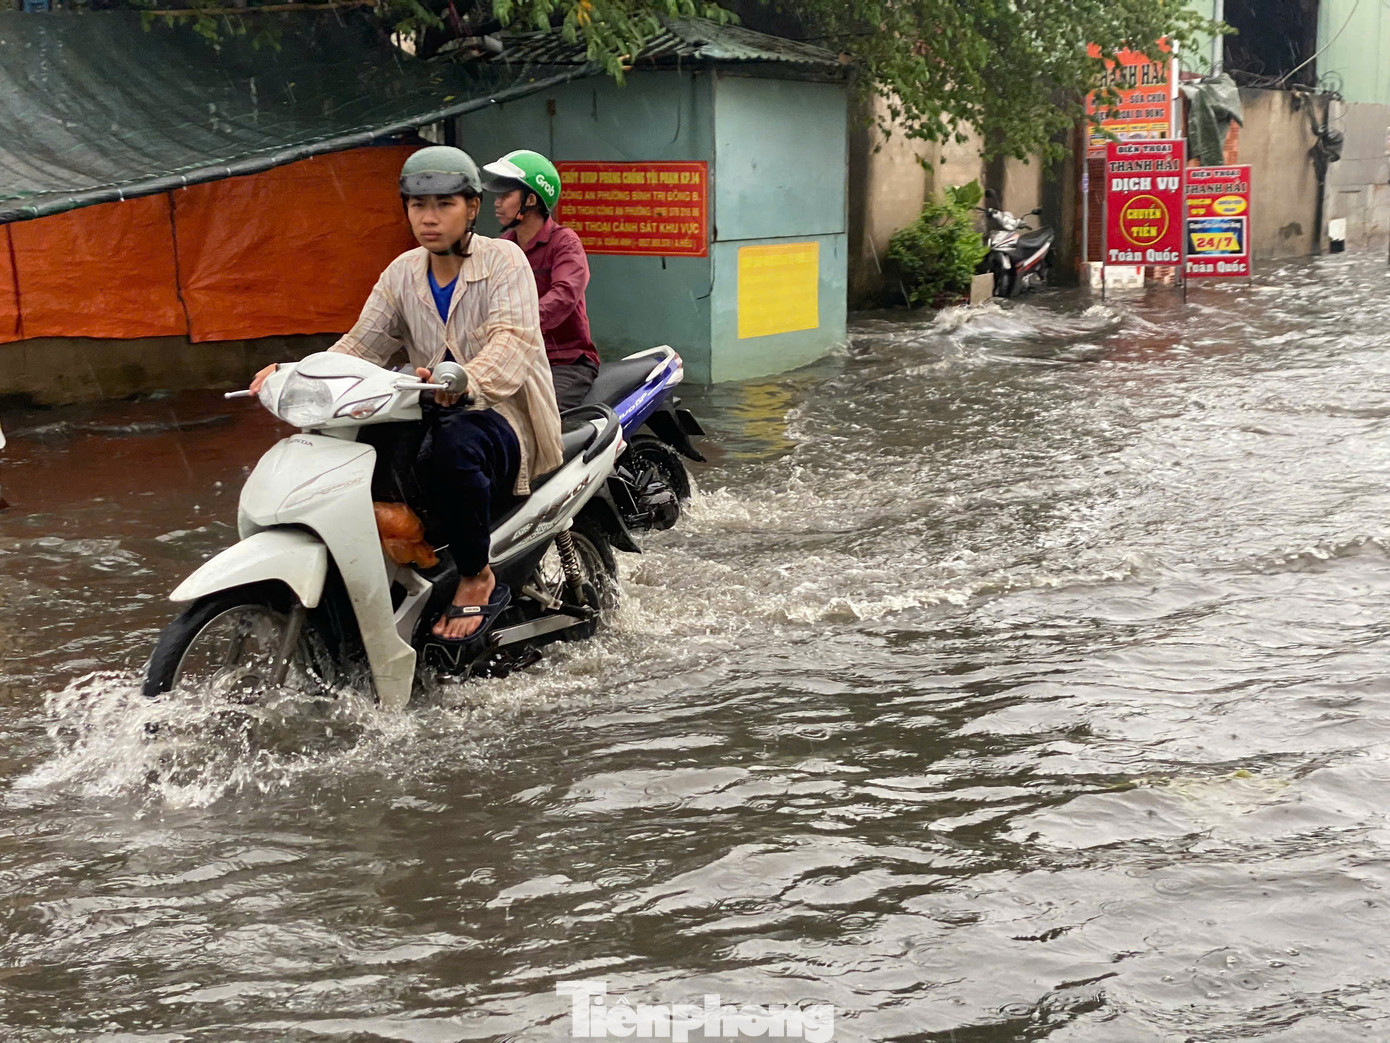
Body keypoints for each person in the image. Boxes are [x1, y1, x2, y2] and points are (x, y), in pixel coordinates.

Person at [249, 146, 562, 645]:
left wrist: (465, 380)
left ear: (472, 208)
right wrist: (295, 373)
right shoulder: (401, 273)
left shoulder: (505, 261)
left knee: (454, 448)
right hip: (428, 406)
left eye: (444, 205)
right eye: (418, 206)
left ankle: (476, 573)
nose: (429, 218)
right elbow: (359, 346)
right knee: (358, 451)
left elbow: (512, 343)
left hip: (503, 414)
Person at [480, 150, 600, 410]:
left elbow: (564, 295)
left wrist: (516, 323)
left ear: (531, 199)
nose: (497, 203)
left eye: (505, 195)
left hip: (565, 362)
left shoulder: (564, 243)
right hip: (515, 359)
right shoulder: (501, 247)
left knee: (544, 415)